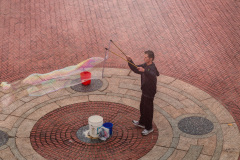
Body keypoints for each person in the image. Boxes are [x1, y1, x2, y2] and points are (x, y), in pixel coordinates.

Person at [126, 50, 159, 136]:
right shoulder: (144, 65)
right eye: (144, 57)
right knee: (142, 107)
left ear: (151, 59)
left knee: (148, 110)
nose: (144, 58)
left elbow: (152, 74)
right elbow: (135, 68)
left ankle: (149, 128)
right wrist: (130, 61)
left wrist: (144, 71)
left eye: (146, 57)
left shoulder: (152, 67)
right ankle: (142, 122)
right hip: (144, 90)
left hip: (150, 92)